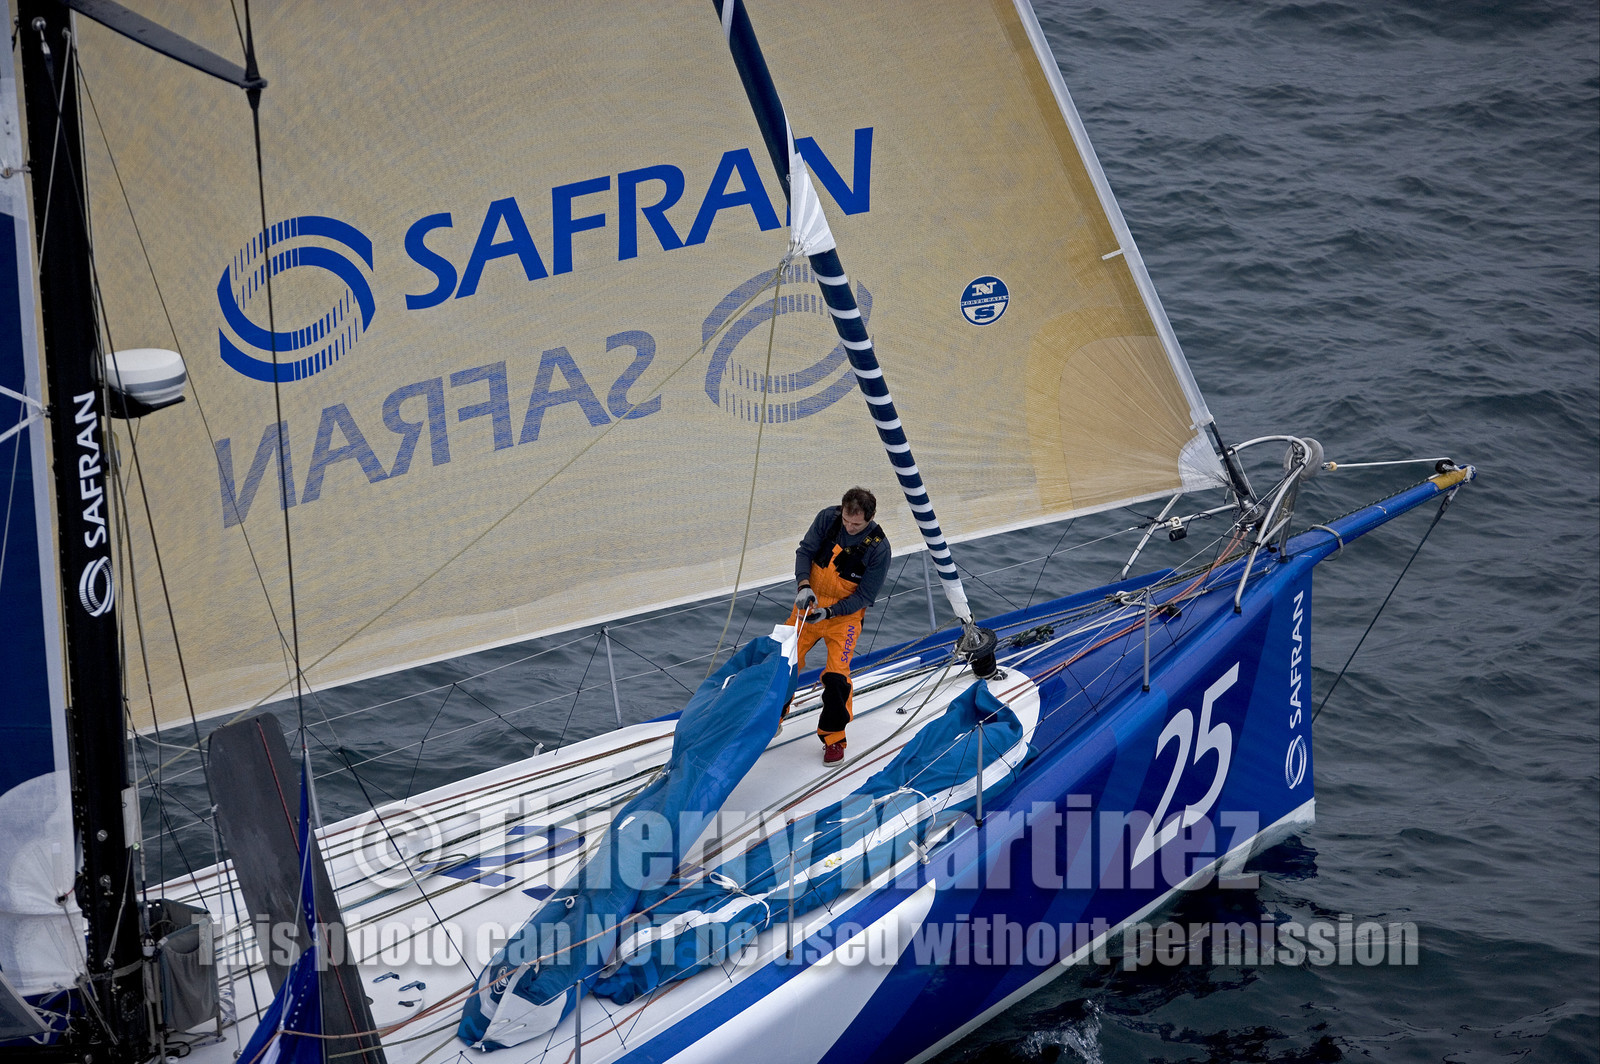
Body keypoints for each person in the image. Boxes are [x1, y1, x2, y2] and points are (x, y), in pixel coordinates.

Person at [786, 487, 890, 766]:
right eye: (846, 520)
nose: (849, 527)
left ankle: (834, 738)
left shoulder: (879, 548)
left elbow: (865, 597)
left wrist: (830, 612)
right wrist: (804, 585)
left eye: (856, 524)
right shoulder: (826, 519)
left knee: (836, 678)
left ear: (870, 518)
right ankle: (770, 719)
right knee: (782, 661)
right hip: (808, 605)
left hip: (844, 617)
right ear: (842, 510)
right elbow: (805, 551)